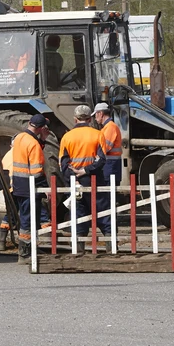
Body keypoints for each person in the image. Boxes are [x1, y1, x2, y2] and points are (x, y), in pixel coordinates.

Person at [59, 105, 106, 245]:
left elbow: (63, 164)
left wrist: (73, 179)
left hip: (76, 182)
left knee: (79, 214)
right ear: (90, 118)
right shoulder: (98, 134)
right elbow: (101, 159)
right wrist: (86, 170)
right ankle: (111, 246)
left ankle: (79, 248)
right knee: (103, 213)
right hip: (94, 179)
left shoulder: (67, 137)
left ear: (75, 119)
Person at [10, 114, 51, 262]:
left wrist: (42, 140)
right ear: (40, 128)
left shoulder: (20, 137)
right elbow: (36, 172)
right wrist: (46, 189)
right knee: (28, 220)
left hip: (18, 184)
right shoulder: (34, 144)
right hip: (30, 187)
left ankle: (30, 247)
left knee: (26, 218)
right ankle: (25, 253)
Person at [93, 102, 122, 236]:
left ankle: (111, 228)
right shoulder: (108, 127)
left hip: (110, 167)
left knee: (109, 198)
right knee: (107, 198)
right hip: (110, 167)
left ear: (100, 114)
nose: (95, 119)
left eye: (96, 116)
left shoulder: (110, 127)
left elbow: (105, 148)